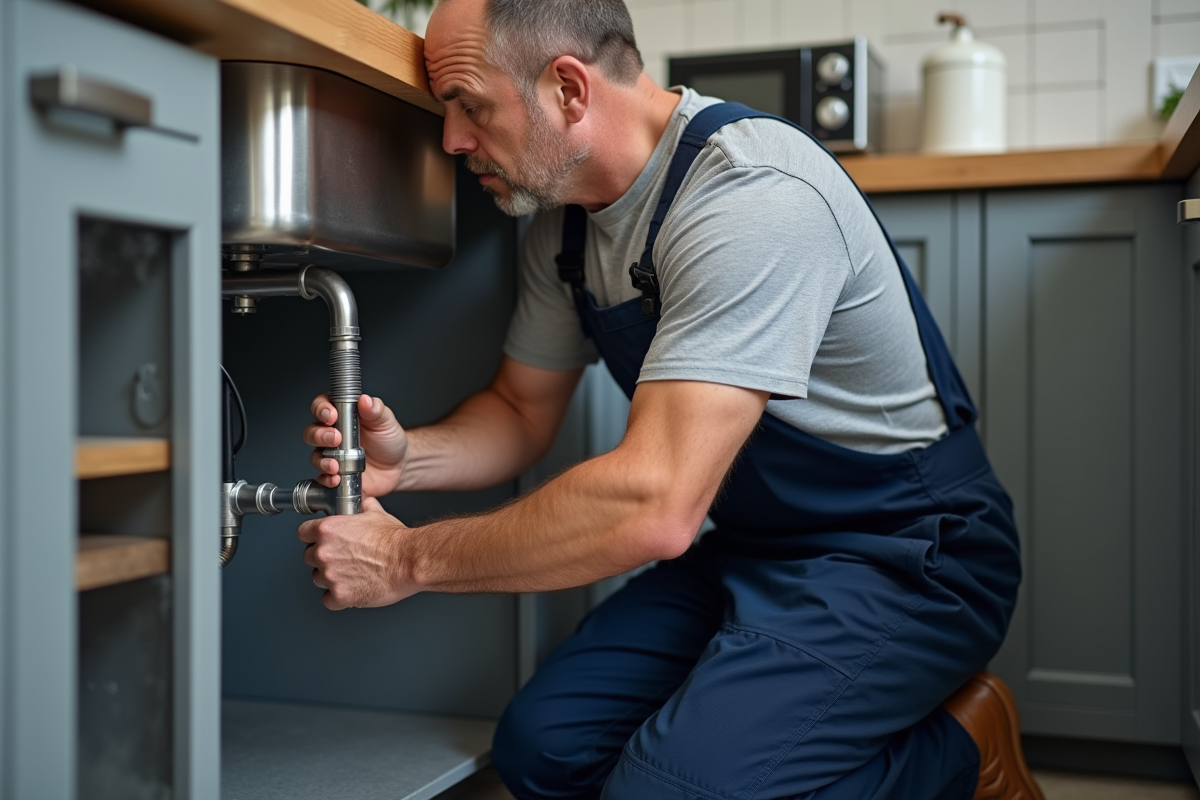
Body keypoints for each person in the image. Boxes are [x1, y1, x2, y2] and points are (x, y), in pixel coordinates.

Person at [297, 1, 1044, 798]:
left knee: (666, 791)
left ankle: (962, 750)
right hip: (757, 545)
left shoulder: (750, 197)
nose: (450, 140)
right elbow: (520, 412)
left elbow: (656, 506)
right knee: (540, 751)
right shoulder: (567, 232)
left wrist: (407, 560)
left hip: (909, 551)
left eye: (470, 106)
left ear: (569, 90)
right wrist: (411, 461)